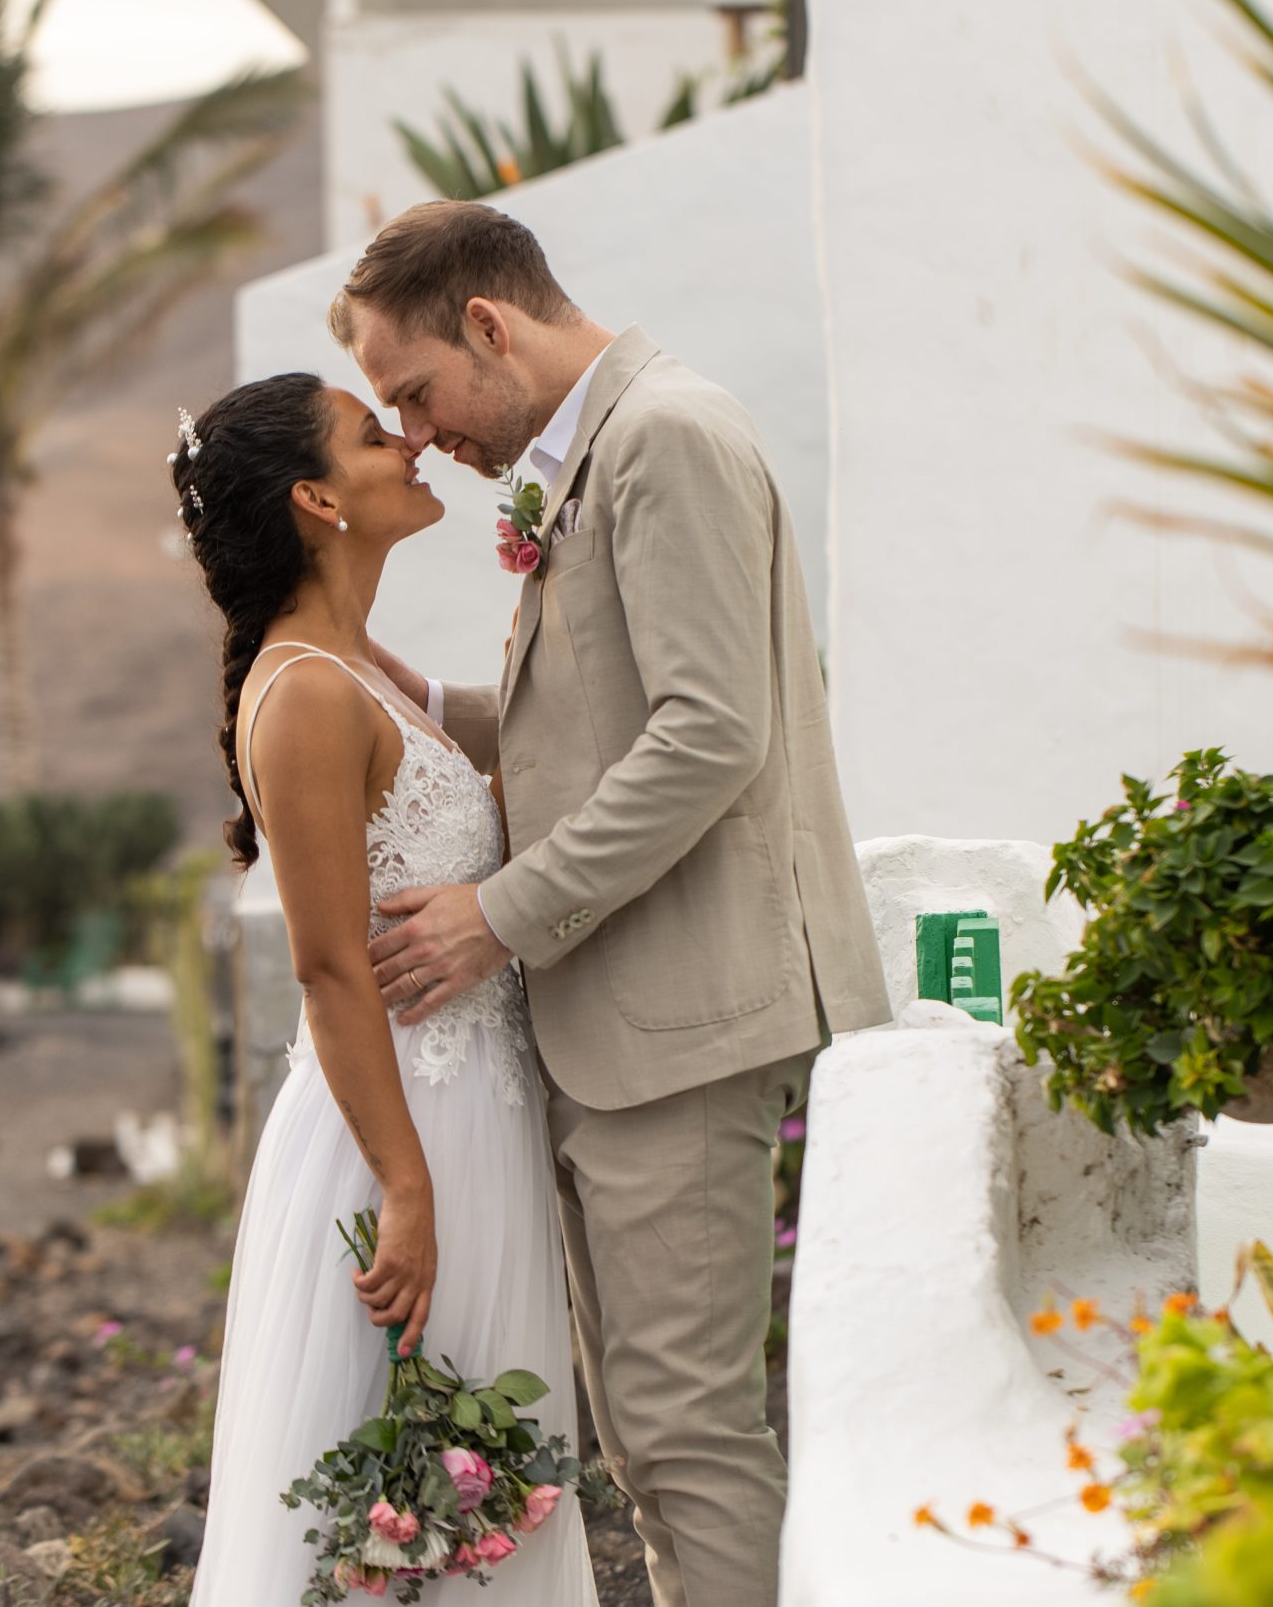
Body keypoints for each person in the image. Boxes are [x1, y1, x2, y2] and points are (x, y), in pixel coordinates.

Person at [334, 200, 891, 1607]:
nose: (419, 435)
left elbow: (711, 734)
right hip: (626, 1013)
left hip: (683, 1011)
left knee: (690, 1429)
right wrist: (415, 698)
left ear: (488, 324)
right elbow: (598, 718)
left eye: (415, 392)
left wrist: (497, 913)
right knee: (648, 1428)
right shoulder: (590, 449)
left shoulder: (668, 435)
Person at [176, 374, 596, 1605]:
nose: (409, 442)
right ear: (315, 499)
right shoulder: (305, 692)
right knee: (391, 1501)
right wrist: (406, 1188)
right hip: (397, 1133)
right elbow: (324, 964)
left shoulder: (353, 664)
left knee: (468, 1495)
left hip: (473, 1110)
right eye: (374, 435)